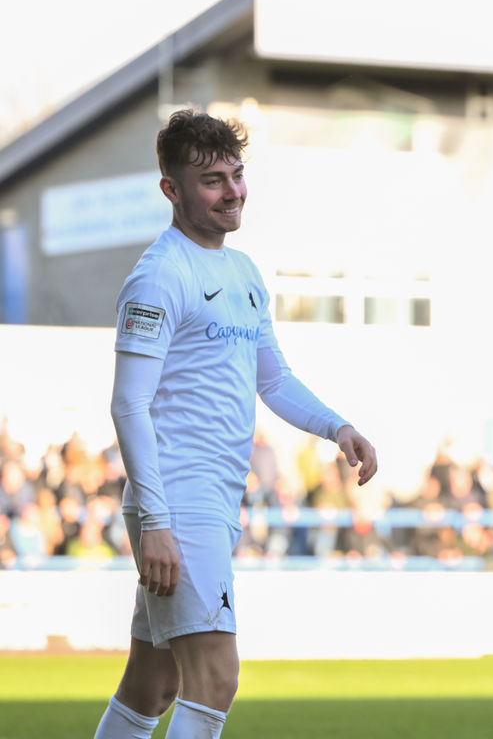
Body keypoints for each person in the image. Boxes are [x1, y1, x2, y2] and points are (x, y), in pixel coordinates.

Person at [94, 109, 378, 739]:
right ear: (172, 190)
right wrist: (158, 521)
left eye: (236, 175)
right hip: (178, 499)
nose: (232, 192)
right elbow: (128, 404)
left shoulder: (243, 273)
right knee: (216, 678)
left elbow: (271, 378)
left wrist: (338, 428)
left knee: (155, 681)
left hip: (212, 498)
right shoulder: (160, 275)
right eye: (212, 181)